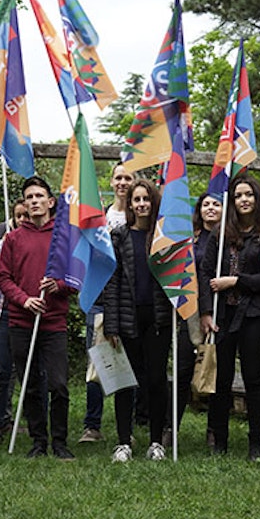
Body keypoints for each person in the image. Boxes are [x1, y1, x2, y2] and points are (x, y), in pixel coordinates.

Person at [0, 176, 76, 460]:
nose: (34, 201)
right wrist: (24, 299)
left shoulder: (64, 237)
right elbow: (3, 278)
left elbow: (76, 277)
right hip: (21, 321)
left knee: (58, 384)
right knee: (30, 384)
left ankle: (59, 442)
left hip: (54, 321)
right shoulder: (13, 238)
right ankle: (38, 441)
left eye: (39, 196)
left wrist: (60, 286)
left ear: (50, 202)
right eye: (29, 197)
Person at [199, 176, 260, 461]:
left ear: (257, 199)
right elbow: (205, 273)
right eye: (238, 195)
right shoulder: (220, 233)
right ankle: (219, 441)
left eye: (249, 195)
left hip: (254, 314)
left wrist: (236, 281)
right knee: (222, 378)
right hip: (222, 315)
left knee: (254, 379)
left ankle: (256, 444)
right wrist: (206, 312)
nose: (244, 200)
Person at [104, 179, 172, 462]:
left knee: (156, 380)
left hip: (157, 319)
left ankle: (156, 441)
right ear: (130, 204)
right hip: (127, 318)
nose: (141, 204)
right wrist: (111, 324)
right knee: (124, 381)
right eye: (136, 200)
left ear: (153, 202)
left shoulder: (163, 238)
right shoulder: (118, 236)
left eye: (146, 199)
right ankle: (123, 442)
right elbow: (112, 281)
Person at [79, 162, 135, 444]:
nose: (123, 182)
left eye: (128, 178)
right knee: (98, 361)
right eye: (119, 178)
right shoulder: (100, 218)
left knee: (130, 363)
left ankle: (129, 427)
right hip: (101, 296)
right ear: (111, 182)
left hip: (131, 300)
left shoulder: (140, 217)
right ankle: (92, 425)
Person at [165, 191, 223, 448]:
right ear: (199, 211)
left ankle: (214, 429)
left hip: (222, 313)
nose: (211, 208)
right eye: (206, 204)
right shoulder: (191, 240)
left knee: (216, 373)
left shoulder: (229, 239)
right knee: (182, 370)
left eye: (216, 204)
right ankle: (170, 427)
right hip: (189, 312)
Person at [0, 199, 30, 448]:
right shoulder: (2, 238)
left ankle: (34, 423)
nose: (23, 219)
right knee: (2, 370)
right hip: (2, 312)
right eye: (19, 215)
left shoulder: (37, 240)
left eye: (27, 216)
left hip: (28, 312)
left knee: (30, 370)